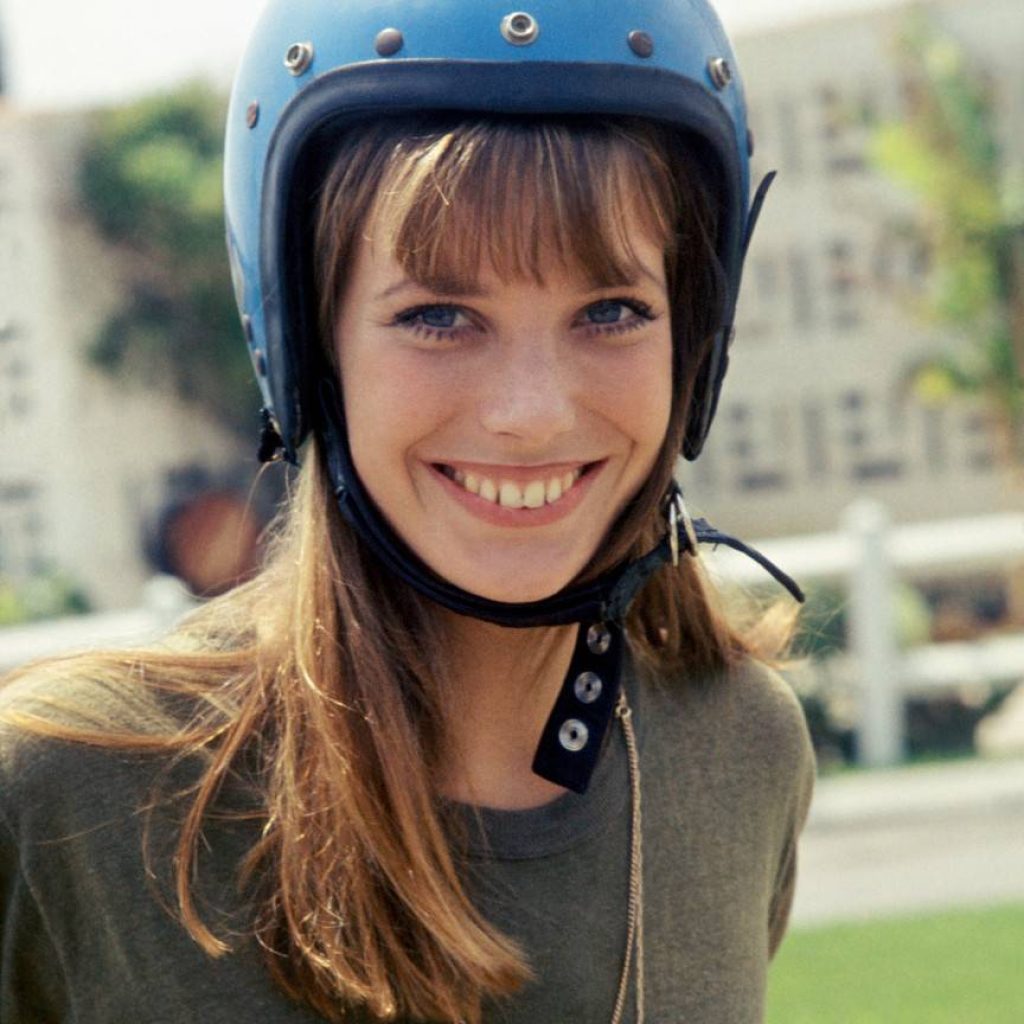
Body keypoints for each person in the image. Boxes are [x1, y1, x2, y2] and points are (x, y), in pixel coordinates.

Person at [0, 0, 816, 1021]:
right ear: (310, 346)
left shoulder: (738, 748)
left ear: (692, 346)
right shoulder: (65, 791)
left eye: (611, 311)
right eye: (438, 316)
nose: (530, 413)